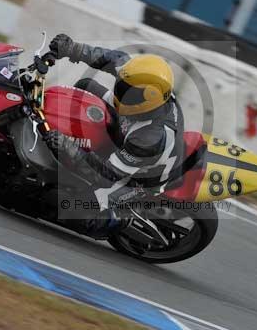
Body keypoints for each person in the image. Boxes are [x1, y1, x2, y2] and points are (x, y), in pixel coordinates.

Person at [43, 34, 185, 237]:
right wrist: (72, 48)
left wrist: (69, 148)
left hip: (139, 178)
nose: (121, 92)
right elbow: (111, 58)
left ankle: (123, 219)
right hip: (129, 130)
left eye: (128, 92)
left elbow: (105, 174)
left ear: (146, 99)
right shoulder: (143, 80)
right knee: (84, 86)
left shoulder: (149, 138)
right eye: (122, 86)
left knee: (70, 207)